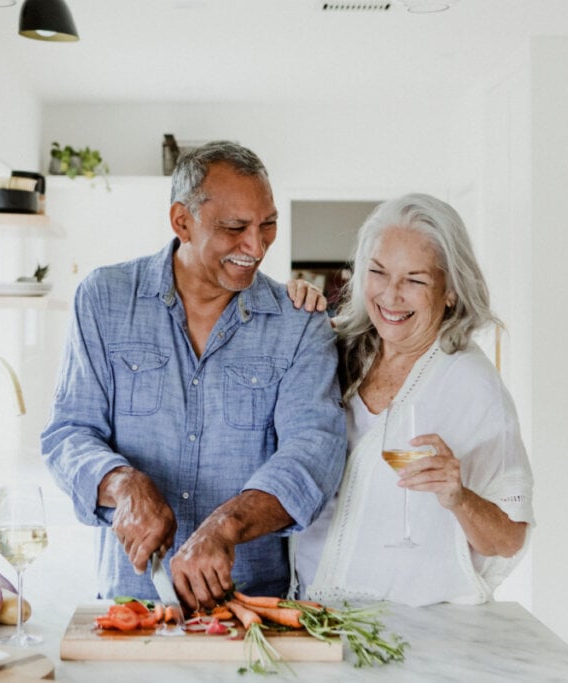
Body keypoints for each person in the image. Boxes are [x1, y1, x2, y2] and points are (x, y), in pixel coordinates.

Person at [41, 141, 347, 609]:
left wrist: (225, 526)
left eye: (268, 225)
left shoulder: (299, 321)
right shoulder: (104, 299)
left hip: (251, 607)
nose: (256, 246)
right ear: (181, 221)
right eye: (234, 228)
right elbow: (68, 433)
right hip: (129, 603)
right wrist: (123, 484)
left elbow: (313, 454)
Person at [293, 193, 534, 607]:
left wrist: (459, 497)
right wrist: (289, 309)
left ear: (451, 291)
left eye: (415, 280)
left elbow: (509, 538)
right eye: (378, 272)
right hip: (310, 612)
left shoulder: (471, 385)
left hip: (411, 630)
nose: (390, 295)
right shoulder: (336, 350)